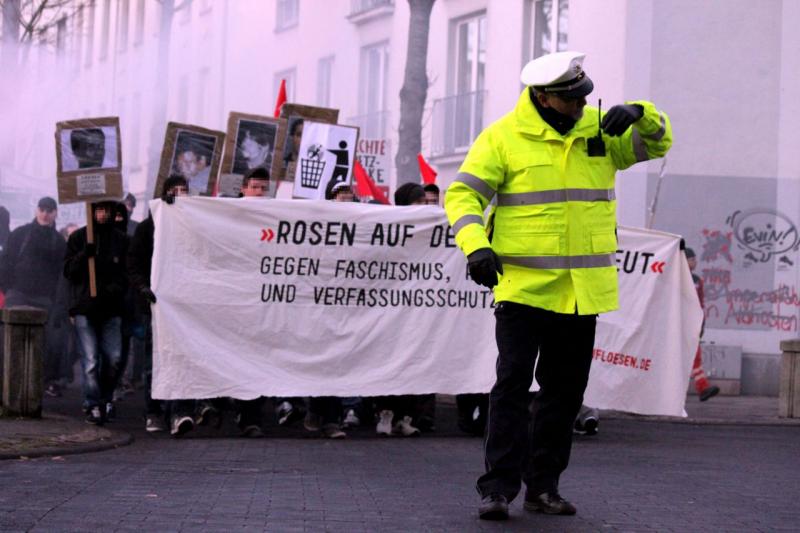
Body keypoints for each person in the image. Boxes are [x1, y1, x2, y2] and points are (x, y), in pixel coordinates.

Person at [444, 50, 672, 520]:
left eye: (584, 96)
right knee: (510, 387)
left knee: (563, 396)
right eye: (572, 99)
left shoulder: (599, 131)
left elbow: (658, 144)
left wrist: (642, 113)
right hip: (523, 288)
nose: (581, 106)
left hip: (579, 292)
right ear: (544, 97)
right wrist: (475, 245)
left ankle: (543, 488)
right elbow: (463, 194)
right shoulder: (504, 137)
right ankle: (497, 490)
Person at [128, 176, 197, 435]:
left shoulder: (193, 226)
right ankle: (154, 412)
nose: (180, 195)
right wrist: (144, 288)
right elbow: (134, 263)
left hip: (185, 307)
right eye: (174, 191)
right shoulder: (148, 228)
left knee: (184, 360)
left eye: (184, 191)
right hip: (154, 307)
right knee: (153, 362)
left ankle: (180, 412)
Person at [63, 200, 129, 425]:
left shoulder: (121, 240)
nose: (102, 214)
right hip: (85, 308)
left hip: (111, 309)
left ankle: (105, 398)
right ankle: (92, 404)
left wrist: (113, 290)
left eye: (106, 210)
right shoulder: (79, 238)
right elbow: (68, 272)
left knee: (113, 358)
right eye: (98, 210)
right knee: (90, 360)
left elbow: (127, 273)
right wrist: (84, 254)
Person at [0, 197, 66, 396]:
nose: (45, 214)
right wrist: (8, 287)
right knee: (9, 341)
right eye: (42, 209)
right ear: (37, 210)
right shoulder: (20, 235)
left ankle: (37, 383)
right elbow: (6, 262)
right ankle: (9, 380)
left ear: (55, 213)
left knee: (46, 344)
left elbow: (61, 272)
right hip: (18, 293)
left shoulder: (59, 241)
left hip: (43, 297)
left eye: (49, 210)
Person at [685, 247, 720, 402]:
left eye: (694, 259)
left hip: (692, 324)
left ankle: (703, 388)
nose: (695, 262)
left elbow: (700, 303)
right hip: (678, 325)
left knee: (695, 357)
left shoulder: (697, 281)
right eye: (692, 259)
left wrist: (701, 324)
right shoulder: (675, 278)